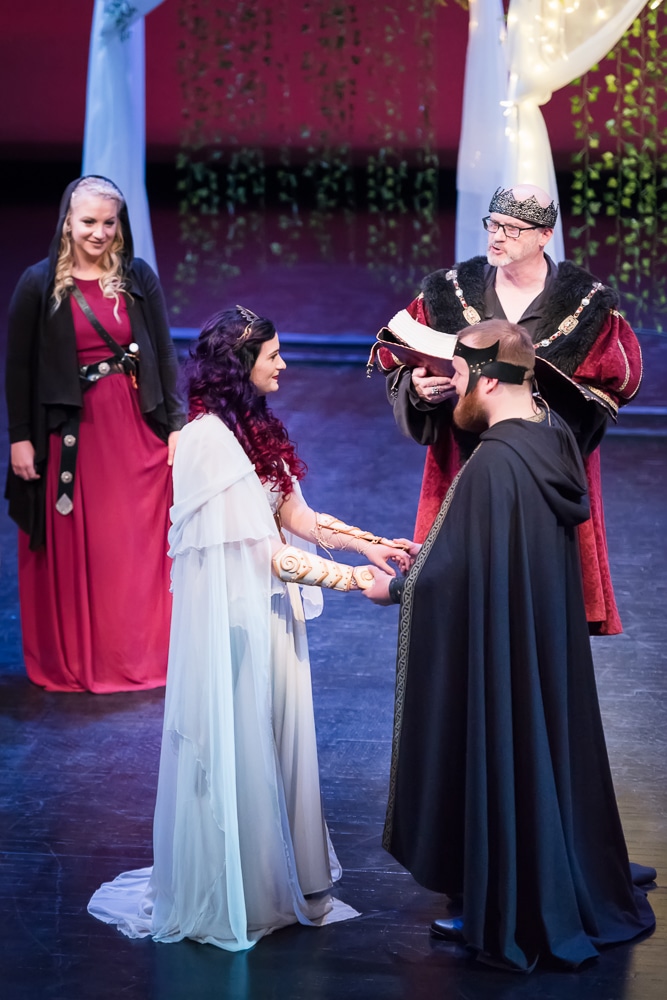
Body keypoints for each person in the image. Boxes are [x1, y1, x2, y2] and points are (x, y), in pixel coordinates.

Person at [88, 306, 413, 951]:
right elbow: (269, 555)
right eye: (274, 355)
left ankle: (285, 880)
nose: (285, 365)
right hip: (236, 626)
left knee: (280, 742)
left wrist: (371, 544)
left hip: (272, 616)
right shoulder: (209, 440)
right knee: (243, 746)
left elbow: (296, 516)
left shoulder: (255, 426)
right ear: (242, 363)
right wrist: (360, 586)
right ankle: (244, 887)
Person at [364, 319, 655, 972]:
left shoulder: (495, 461)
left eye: (461, 377)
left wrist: (394, 587)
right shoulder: (551, 435)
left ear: (489, 378)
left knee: (503, 745)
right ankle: (536, 872)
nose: (454, 390)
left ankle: (510, 896)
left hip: (505, 645)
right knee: (537, 744)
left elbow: (450, 571)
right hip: (536, 642)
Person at [379, 184, 643, 636]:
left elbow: (609, 389)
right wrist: (419, 388)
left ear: (544, 235)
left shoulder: (588, 305)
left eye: (512, 228)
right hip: (461, 464)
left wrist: (542, 408)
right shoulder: (448, 292)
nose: (497, 237)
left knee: (535, 607)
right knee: (459, 606)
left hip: (543, 469)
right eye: (493, 224)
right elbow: (401, 362)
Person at [5, 175, 185, 693]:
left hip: (132, 429)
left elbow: (164, 353)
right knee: (85, 549)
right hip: (70, 439)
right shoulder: (38, 284)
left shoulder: (138, 278)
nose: (99, 232)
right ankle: (84, 659)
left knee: (134, 546)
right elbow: (18, 368)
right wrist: (20, 437)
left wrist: (175, 426)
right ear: (67, 221)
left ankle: (141, 652)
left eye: (108, 222)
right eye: (88, 221)